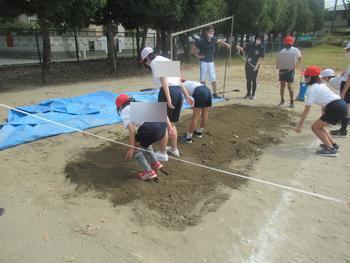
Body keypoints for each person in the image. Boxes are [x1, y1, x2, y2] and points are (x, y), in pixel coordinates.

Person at [141, 47, 193, 158]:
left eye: (145, 62)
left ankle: (163, 153)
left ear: (147, 59)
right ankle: (174, 149)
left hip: (168, 92)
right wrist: (186, 95)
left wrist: (168, 97)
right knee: (172, 124)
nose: (147, 65)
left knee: (162, 123)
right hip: (178, 92)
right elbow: (178, 80)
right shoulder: (164, 59)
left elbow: (163, 78)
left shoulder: (155, 62)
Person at [294, 66, 348, 157]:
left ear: (310, 77)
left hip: (335, 108)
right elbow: (326, 99)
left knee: (315, 127)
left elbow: (306, 110)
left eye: (305, 76)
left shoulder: (312, 89)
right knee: (320, 126)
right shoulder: (321, 85)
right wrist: (324, 111)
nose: (304, 78)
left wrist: (300, 125)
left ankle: (331, 150)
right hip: (340, 106)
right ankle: (334, 145)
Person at [116, 94, 166, 180]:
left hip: (152, 129)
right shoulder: (139, 103)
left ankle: (149, 172)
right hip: (163, 127)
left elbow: (131, 131)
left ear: (120, 106)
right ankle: (155, 163)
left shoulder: (125, 111)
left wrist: (131, 148)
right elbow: (162, 112)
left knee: (136, 146)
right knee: (143, 140)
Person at [192, 25, 231, 98]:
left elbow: (219, 41)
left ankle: (215, 93)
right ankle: (203, 94)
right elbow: (193, 49)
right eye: (210, 32)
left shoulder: (213, 38)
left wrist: (226, 44)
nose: (212, 33)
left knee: (213, 77)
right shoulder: (201, 41)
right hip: (203, 62)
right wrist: (198, 56)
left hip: (211, 62)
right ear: (206, 32)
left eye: (213, 32)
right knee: (203, 78)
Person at [330, 42, 350, 137]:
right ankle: (344, 127)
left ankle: (343, 130)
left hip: (347, 86)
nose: (346, 52)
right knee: (347, 107)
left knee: (345, 107)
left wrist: (343, 92)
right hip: (347, 85)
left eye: (348, 50)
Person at [236, 34, 265, 99]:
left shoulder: (261, 48)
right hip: (248, 64)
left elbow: (260, 58)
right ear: (255, 39)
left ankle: (253, 94)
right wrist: (238, 47)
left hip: (255, 66)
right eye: (257, 39)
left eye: (260, 40)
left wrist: (256, 66)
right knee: (248, 79)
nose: (258, 40)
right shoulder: (250, 45)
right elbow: (244, 50)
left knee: (254, 80)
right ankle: (248, 93)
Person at [278, 36, 302, 108]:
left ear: (292, 43)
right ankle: (282, 100)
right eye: (287, 43)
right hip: (282, 69)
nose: (288, 45)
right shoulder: (282, 51)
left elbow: (300, 59)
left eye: (290, 43)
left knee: (289, 86)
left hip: (291, 70)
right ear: (285, 43)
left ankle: (292, 101)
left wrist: (294, 66)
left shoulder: (295, 50)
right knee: (282, 85)